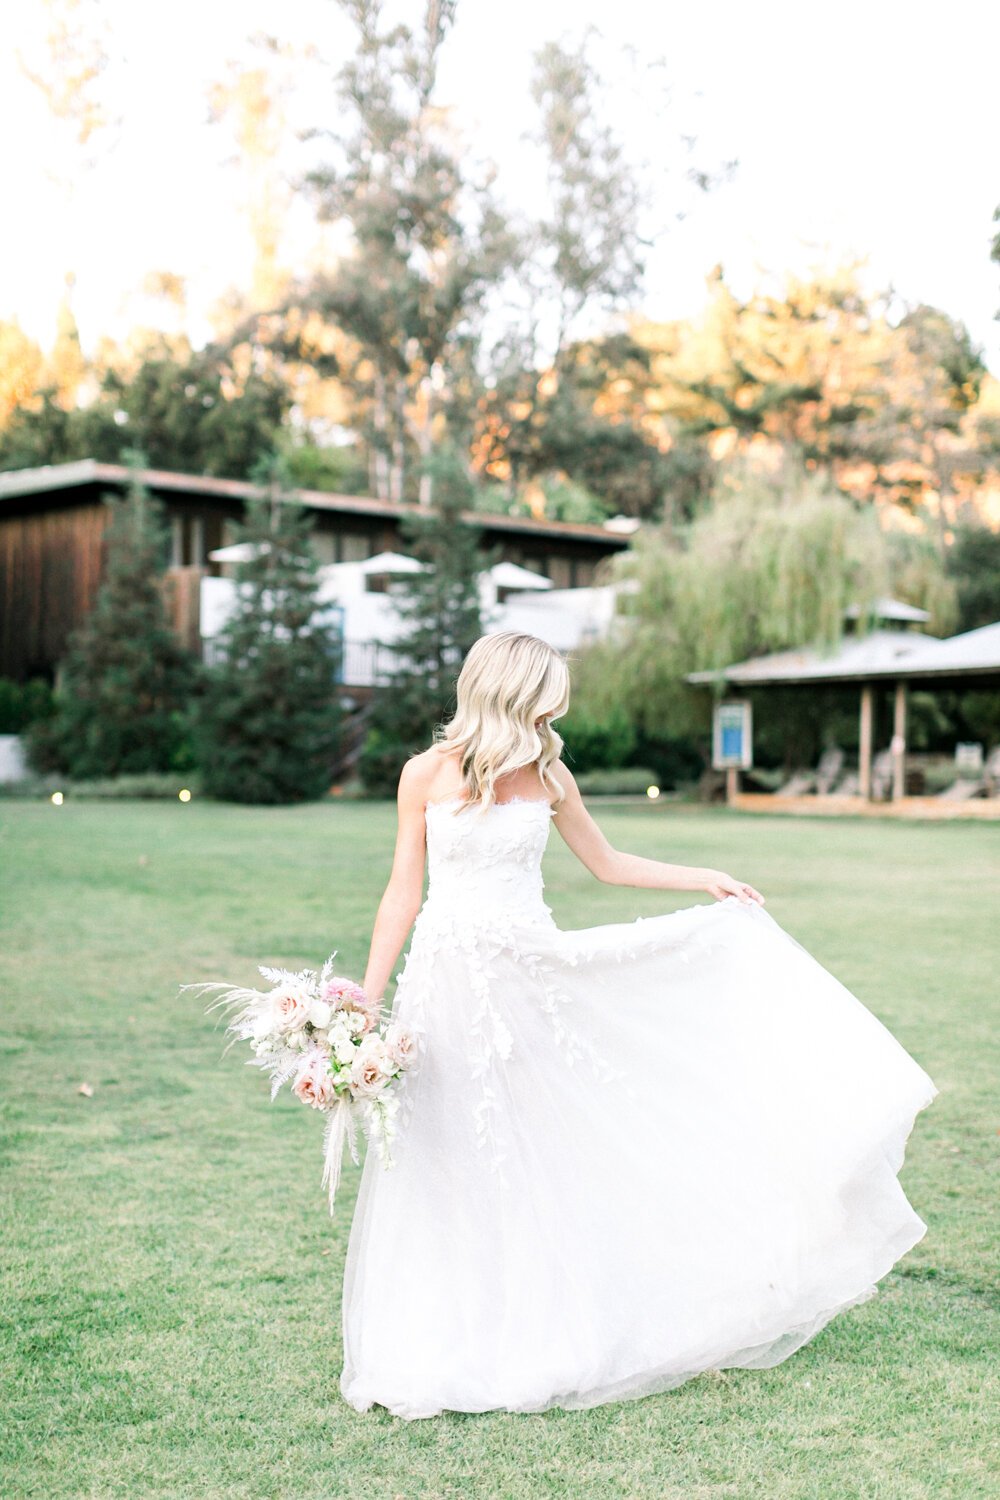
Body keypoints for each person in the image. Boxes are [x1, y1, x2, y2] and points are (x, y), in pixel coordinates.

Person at [340, 631, 937, 1420]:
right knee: (445, 1149)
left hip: (530, 982)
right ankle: (445, 1329)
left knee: (536, 1149)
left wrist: (704, 879)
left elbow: (609, 863)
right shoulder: (424, 774)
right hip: (443, 987)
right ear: (512, 688)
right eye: (551, 688)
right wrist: (368, 1003)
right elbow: (401, 894)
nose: (561, 702)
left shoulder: (551, 775)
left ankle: (544, 1322)